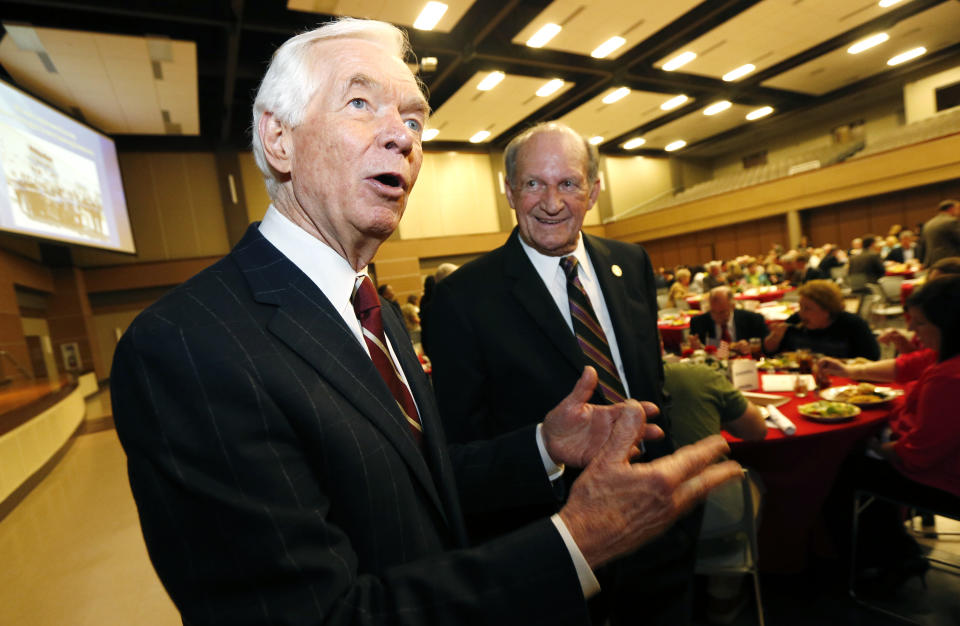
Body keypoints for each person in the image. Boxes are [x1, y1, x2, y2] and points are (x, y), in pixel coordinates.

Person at [109, 19, 740, 626]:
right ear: (279, 140)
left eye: (413, 119)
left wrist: (543, 446)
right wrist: (577, 541)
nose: (403, 137)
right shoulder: (189, 347)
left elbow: (419, 490)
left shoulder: (368, 313)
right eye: (361, 103)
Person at [427, 122, 697, 625]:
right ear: (509, 191)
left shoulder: (630, 262)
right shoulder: (463, 298)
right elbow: (456, 457)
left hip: (658, 528)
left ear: (594, 191)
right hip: (557, 544)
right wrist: (543, 446)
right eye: (533, 183)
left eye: (568, 183)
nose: (551, 202)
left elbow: (650, 383)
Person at [826, 275, 960, 590]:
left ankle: (867, 563)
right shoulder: (946, 356)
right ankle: (896, 550)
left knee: (842, 469)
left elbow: (916, 455)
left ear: (948, 324)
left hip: (948, 481)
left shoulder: (949, 378)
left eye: (921, 324)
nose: (913, 331)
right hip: (946, 464)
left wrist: (880, 446)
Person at [765, 279, 880, 359]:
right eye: (800, 307)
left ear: (827, 310)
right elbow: (769, 352)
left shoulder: (853, 325)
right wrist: (775, 338)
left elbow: (872, 359)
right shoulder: (795, 321)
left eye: (807, 308)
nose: (801, 312)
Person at [688, 286, 768, 355]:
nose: (717, 316)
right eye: (713, 312)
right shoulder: (698, 322)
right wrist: (696, 347)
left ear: (732, 306)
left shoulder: (753, 319)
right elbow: (697, 350)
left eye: (722, 312)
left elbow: (766, 348)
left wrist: (750, 347)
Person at [920, 199, 960, 267]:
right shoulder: (951, 221)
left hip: (933, 263)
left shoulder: (928, 224)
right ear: (951, 209)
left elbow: (923, 246)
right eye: (958, 208)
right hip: (951, 263)